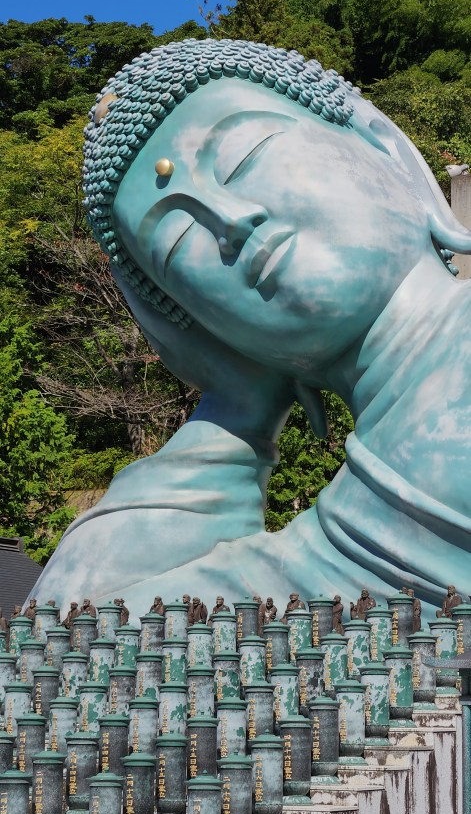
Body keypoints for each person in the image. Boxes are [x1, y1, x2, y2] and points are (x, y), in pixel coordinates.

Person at [28, 37, 471, 620]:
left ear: (383, 146)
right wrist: (236, 403)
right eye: (178, 244)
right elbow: (67, 638)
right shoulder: (329, 545)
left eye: (244, 157)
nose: (229, 221)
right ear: (198, 328)